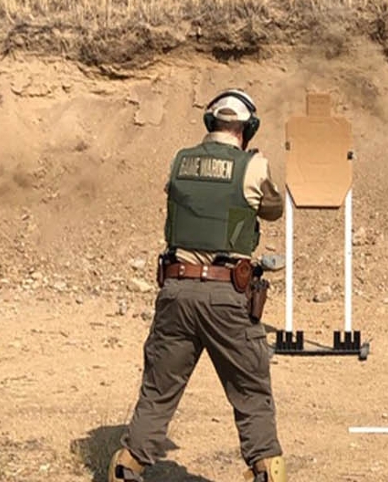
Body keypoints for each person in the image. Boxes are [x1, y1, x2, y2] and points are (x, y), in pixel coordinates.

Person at [110, 89, 287, 482]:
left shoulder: (180, 161)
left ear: (211, 124)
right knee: (251, 391)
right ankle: (266, 470)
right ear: (246, 129)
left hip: (175, 291)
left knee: (158, 391)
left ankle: (128, 466)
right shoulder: (253, 166)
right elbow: (273, 210)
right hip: (228, 296)